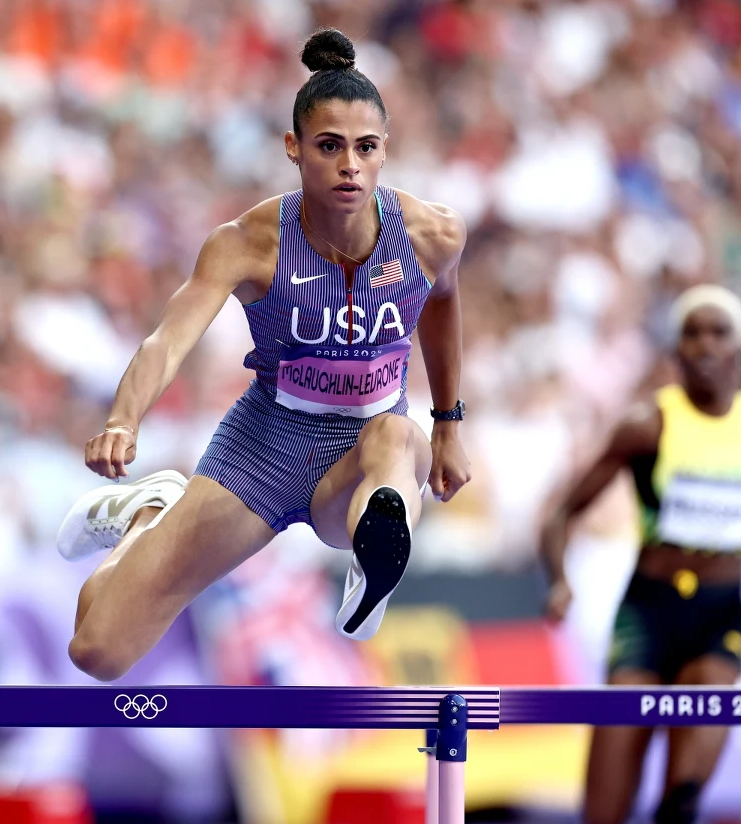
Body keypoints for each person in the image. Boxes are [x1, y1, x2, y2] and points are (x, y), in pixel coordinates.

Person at [55, 28, 472, 682]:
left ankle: (374, 569)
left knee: (398, 436)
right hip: (264, 448)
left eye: (365, 149)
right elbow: (168, 338)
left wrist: (448, 424)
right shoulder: (247, 242)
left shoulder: (432, 233)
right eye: (329, 148)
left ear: (385, 152)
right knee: (98, 652)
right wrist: (122, 420)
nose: (350, 166)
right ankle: (147, 512)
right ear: (294, 148)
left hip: (362, 453)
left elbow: (442, 302)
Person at [538, 284, 741, 824]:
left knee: (680, 803)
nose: (705, 345)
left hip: (720, 614)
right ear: (675, 352)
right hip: (647, 613)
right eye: (692, 333)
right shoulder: (647, 425)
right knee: (604, 811)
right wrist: (559, 580)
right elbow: (562, 513)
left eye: (719, 333)